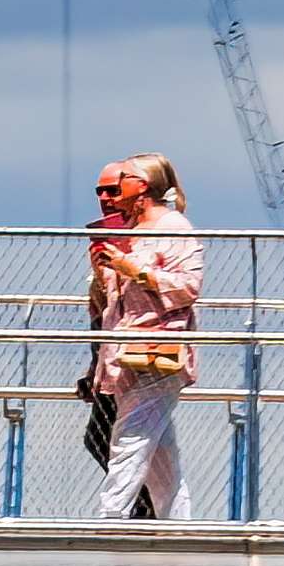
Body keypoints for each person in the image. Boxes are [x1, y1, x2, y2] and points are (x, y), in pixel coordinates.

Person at [85, 154, 204, 518]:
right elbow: (110, 302)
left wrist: (131, 268)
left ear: (144, 186)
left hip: (156, 349)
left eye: (123, 180)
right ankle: (180, 529)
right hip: (123, 352)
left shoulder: (174, 227)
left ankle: (111, 517)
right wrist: (102, 273)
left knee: (129, 440)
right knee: (161, 459)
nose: (113, 189)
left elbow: (188, 286)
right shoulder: (128, 232)